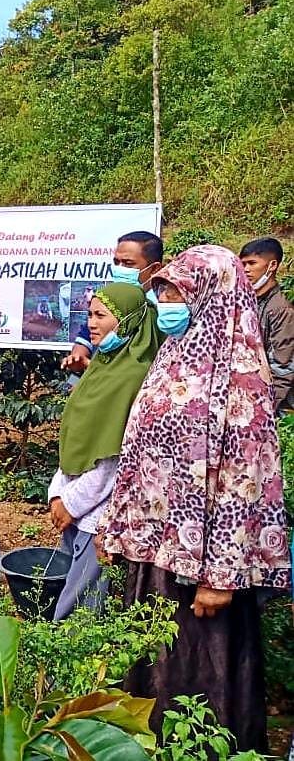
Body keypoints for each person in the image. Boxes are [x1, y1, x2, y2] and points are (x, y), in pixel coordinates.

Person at [97, 245, 291, 750]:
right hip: (156, 557)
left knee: (198, 686)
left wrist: (220, 578)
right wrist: (117, 528)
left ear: (211, 296)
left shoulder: (241, 383)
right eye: (162, 291)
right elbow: (140, 453)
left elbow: (245, 485)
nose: (165, 301)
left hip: (204, 576)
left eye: (175, 292)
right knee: (149, 679)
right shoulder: (173, 359)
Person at [48, 282, 162, 620]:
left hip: (99, 516)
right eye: (89, 315)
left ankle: (65, 671)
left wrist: (71, 502)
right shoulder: (101, 366)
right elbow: (76, 440)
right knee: (77, 598)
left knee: (79, 611)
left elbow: (115, 459)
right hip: (74, 507)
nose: (92, 324)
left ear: (127, 321)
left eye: (101, 315)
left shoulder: (133, 376)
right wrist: (58, 495)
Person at [62, 231, 164, 373]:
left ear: (154, 269)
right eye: (116, 262)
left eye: (128, 264)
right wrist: (77, 358)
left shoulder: (165, 309)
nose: (119, 269)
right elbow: (85, 337)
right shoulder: (108, 299)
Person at [239, 237, 293, 414]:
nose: (246, 270)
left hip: (277, 403)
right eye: (243, 264)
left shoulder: (280, 309)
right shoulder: (249, 301)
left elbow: (283, 366)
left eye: (252, 263)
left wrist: (265, 409)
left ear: (272, 265)